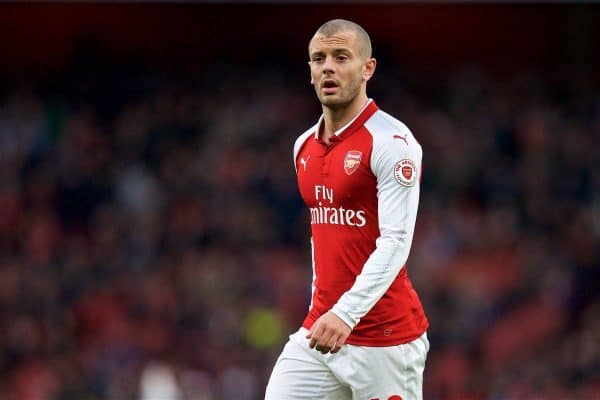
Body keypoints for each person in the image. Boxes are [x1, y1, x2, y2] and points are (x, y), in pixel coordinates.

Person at [265, 19, 429, 400]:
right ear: (309, 71)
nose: (328, 67)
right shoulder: (303, 146)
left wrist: (346, 313)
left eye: (341, 57)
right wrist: (325, 310)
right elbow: (322, 239)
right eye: (319, 59)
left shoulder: (393, 143)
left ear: (367, 68)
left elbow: (396, 241)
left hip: (385, 339)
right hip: (321, 331)